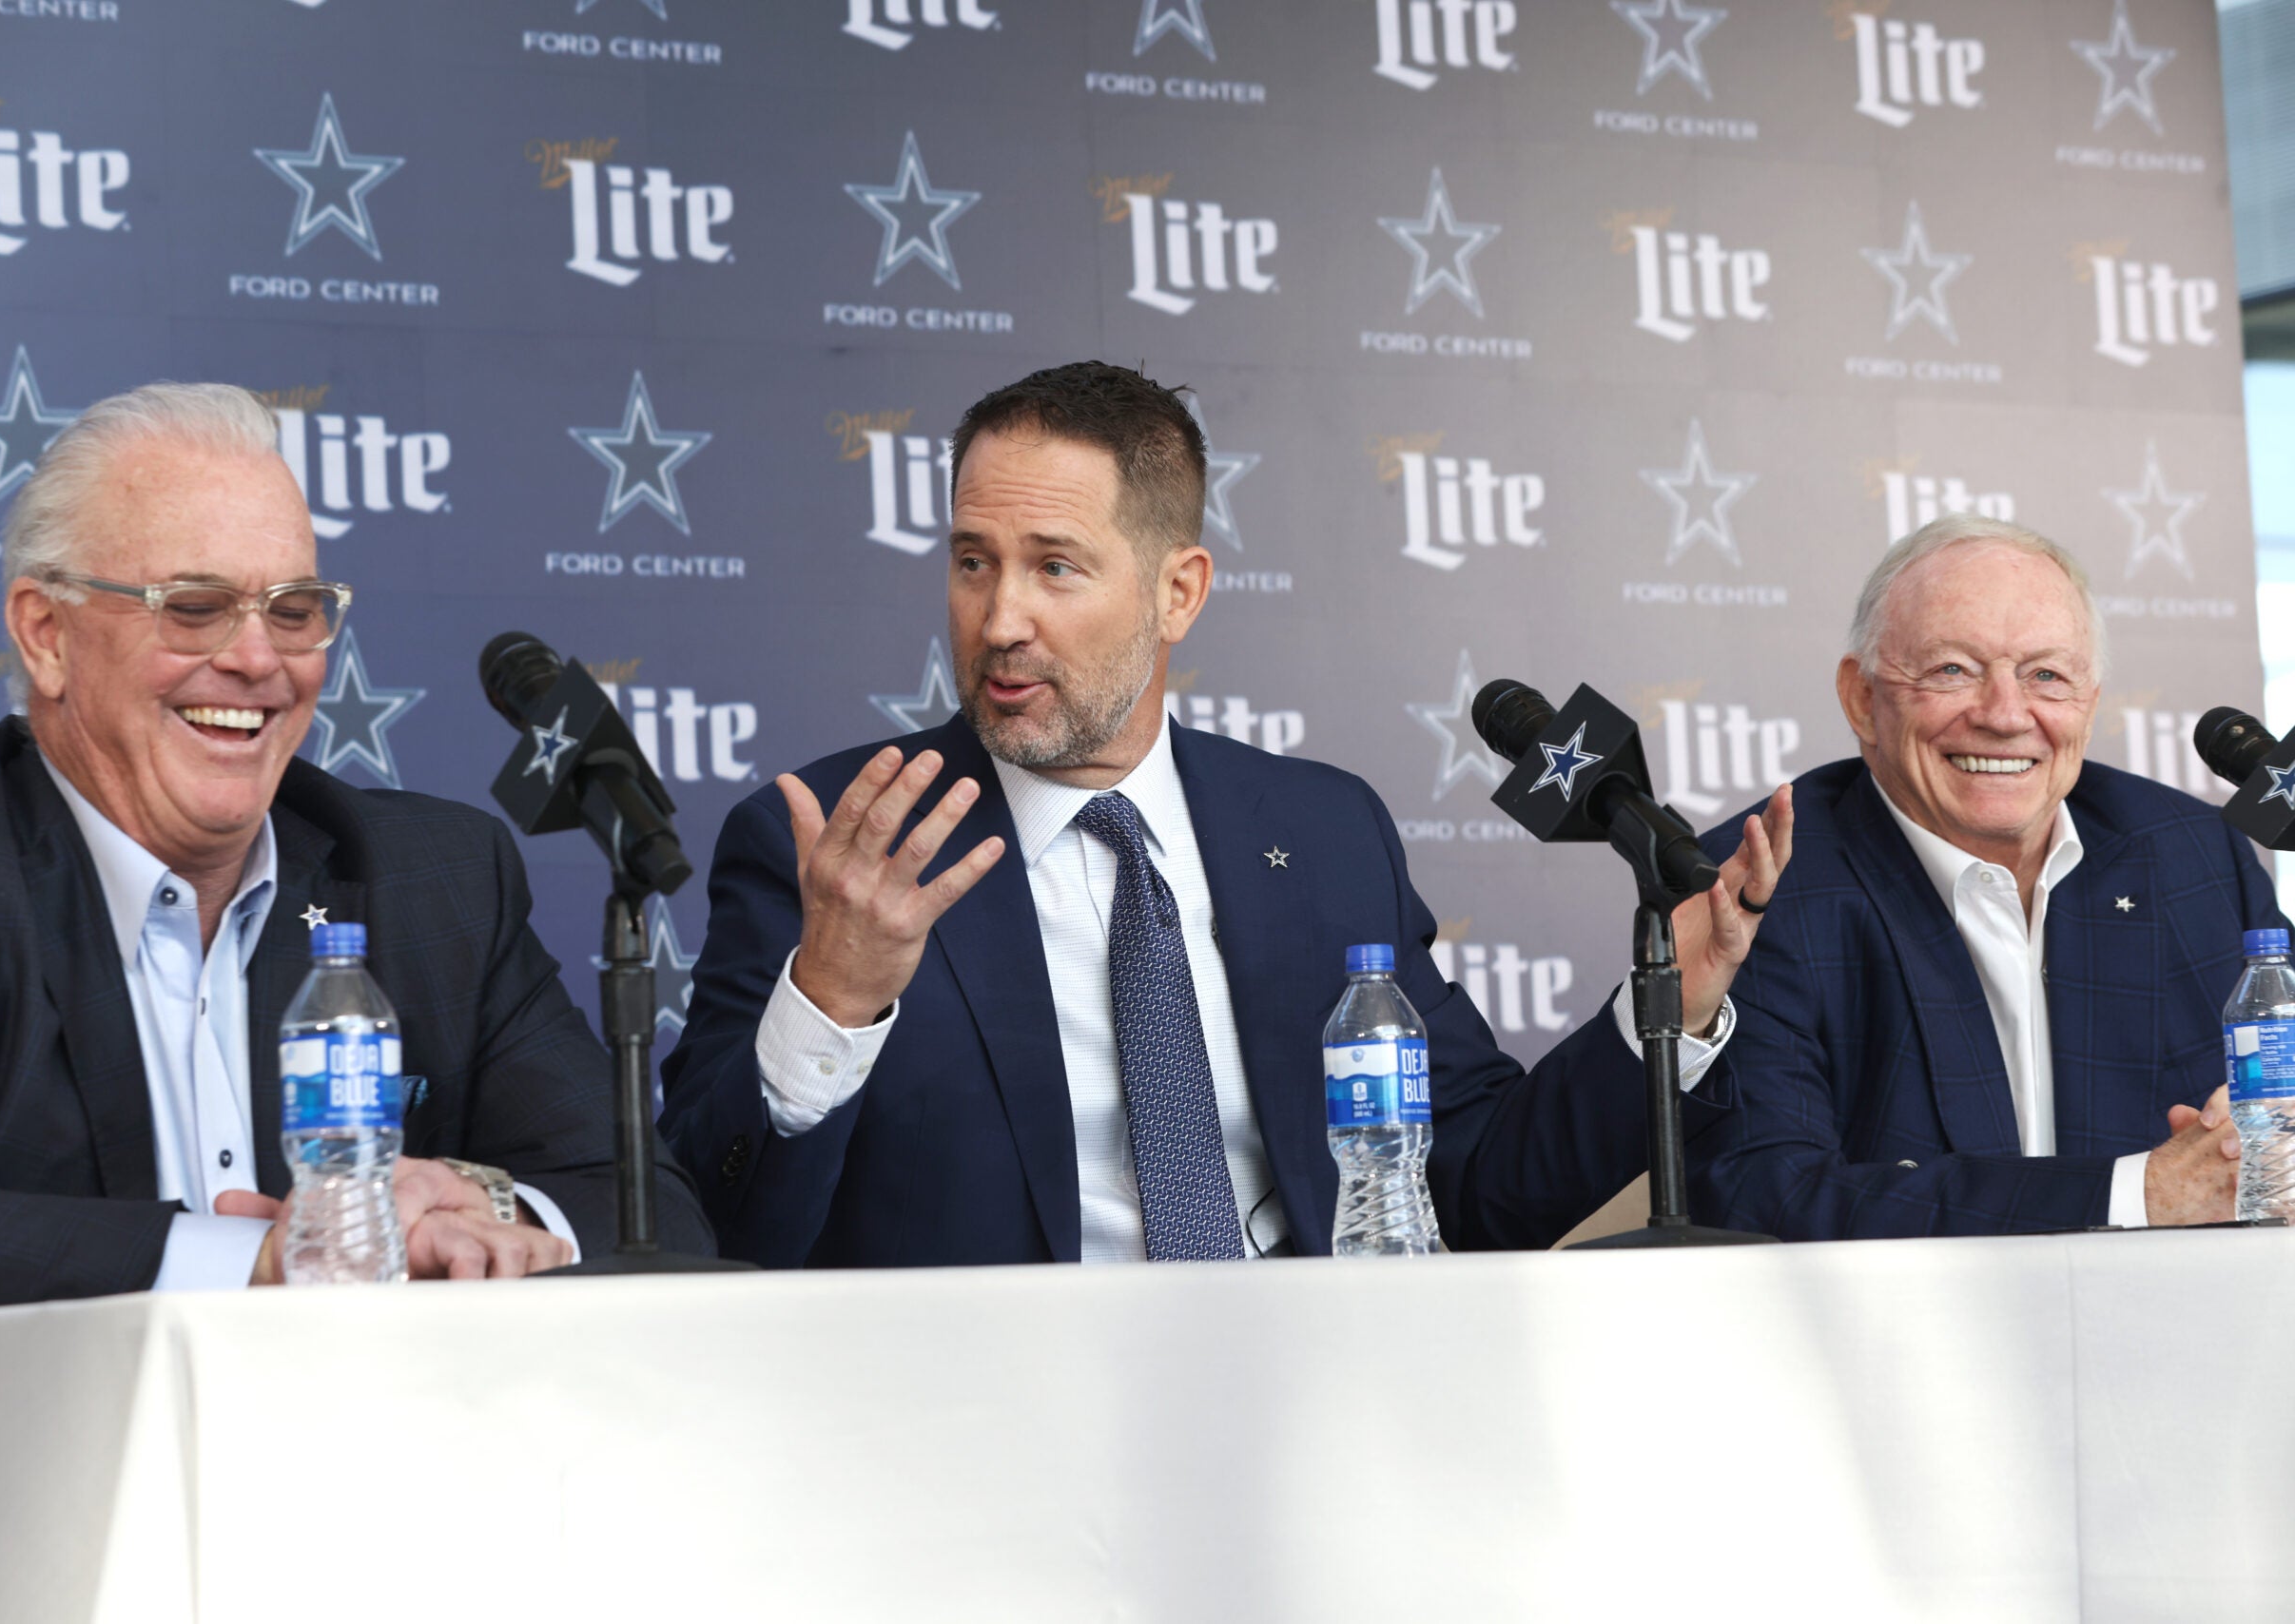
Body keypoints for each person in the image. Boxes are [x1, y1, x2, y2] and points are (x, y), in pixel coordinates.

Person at [661, 361, 1790, 1266]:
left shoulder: (1325, 832)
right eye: (971, 561)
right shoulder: (838, 845)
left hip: (1303, 1403)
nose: (998, 618)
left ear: (1178, 592)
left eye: (1055, 568)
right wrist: (831, 1003)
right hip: (988, 1426)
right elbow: (717, 1228)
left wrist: (1666, 1010)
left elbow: (1475, 1187)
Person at [0, 382, 712, 1320]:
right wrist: (269, 1263)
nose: (258, 659)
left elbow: (658, 1218)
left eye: (294, 610)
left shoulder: (438, 877)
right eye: (195, 607)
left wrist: (478, 1213)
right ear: (47, 634)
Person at [1685, 514, 2274, 1239]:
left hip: (2183, 1307)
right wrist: (2138, 1196)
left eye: (2046, 675)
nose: (2004, 715)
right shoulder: (1758, 883)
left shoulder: (2194, 855)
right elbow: (1764, 1194)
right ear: (1862, 698)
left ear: (2090, 705)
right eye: (1952, 670)